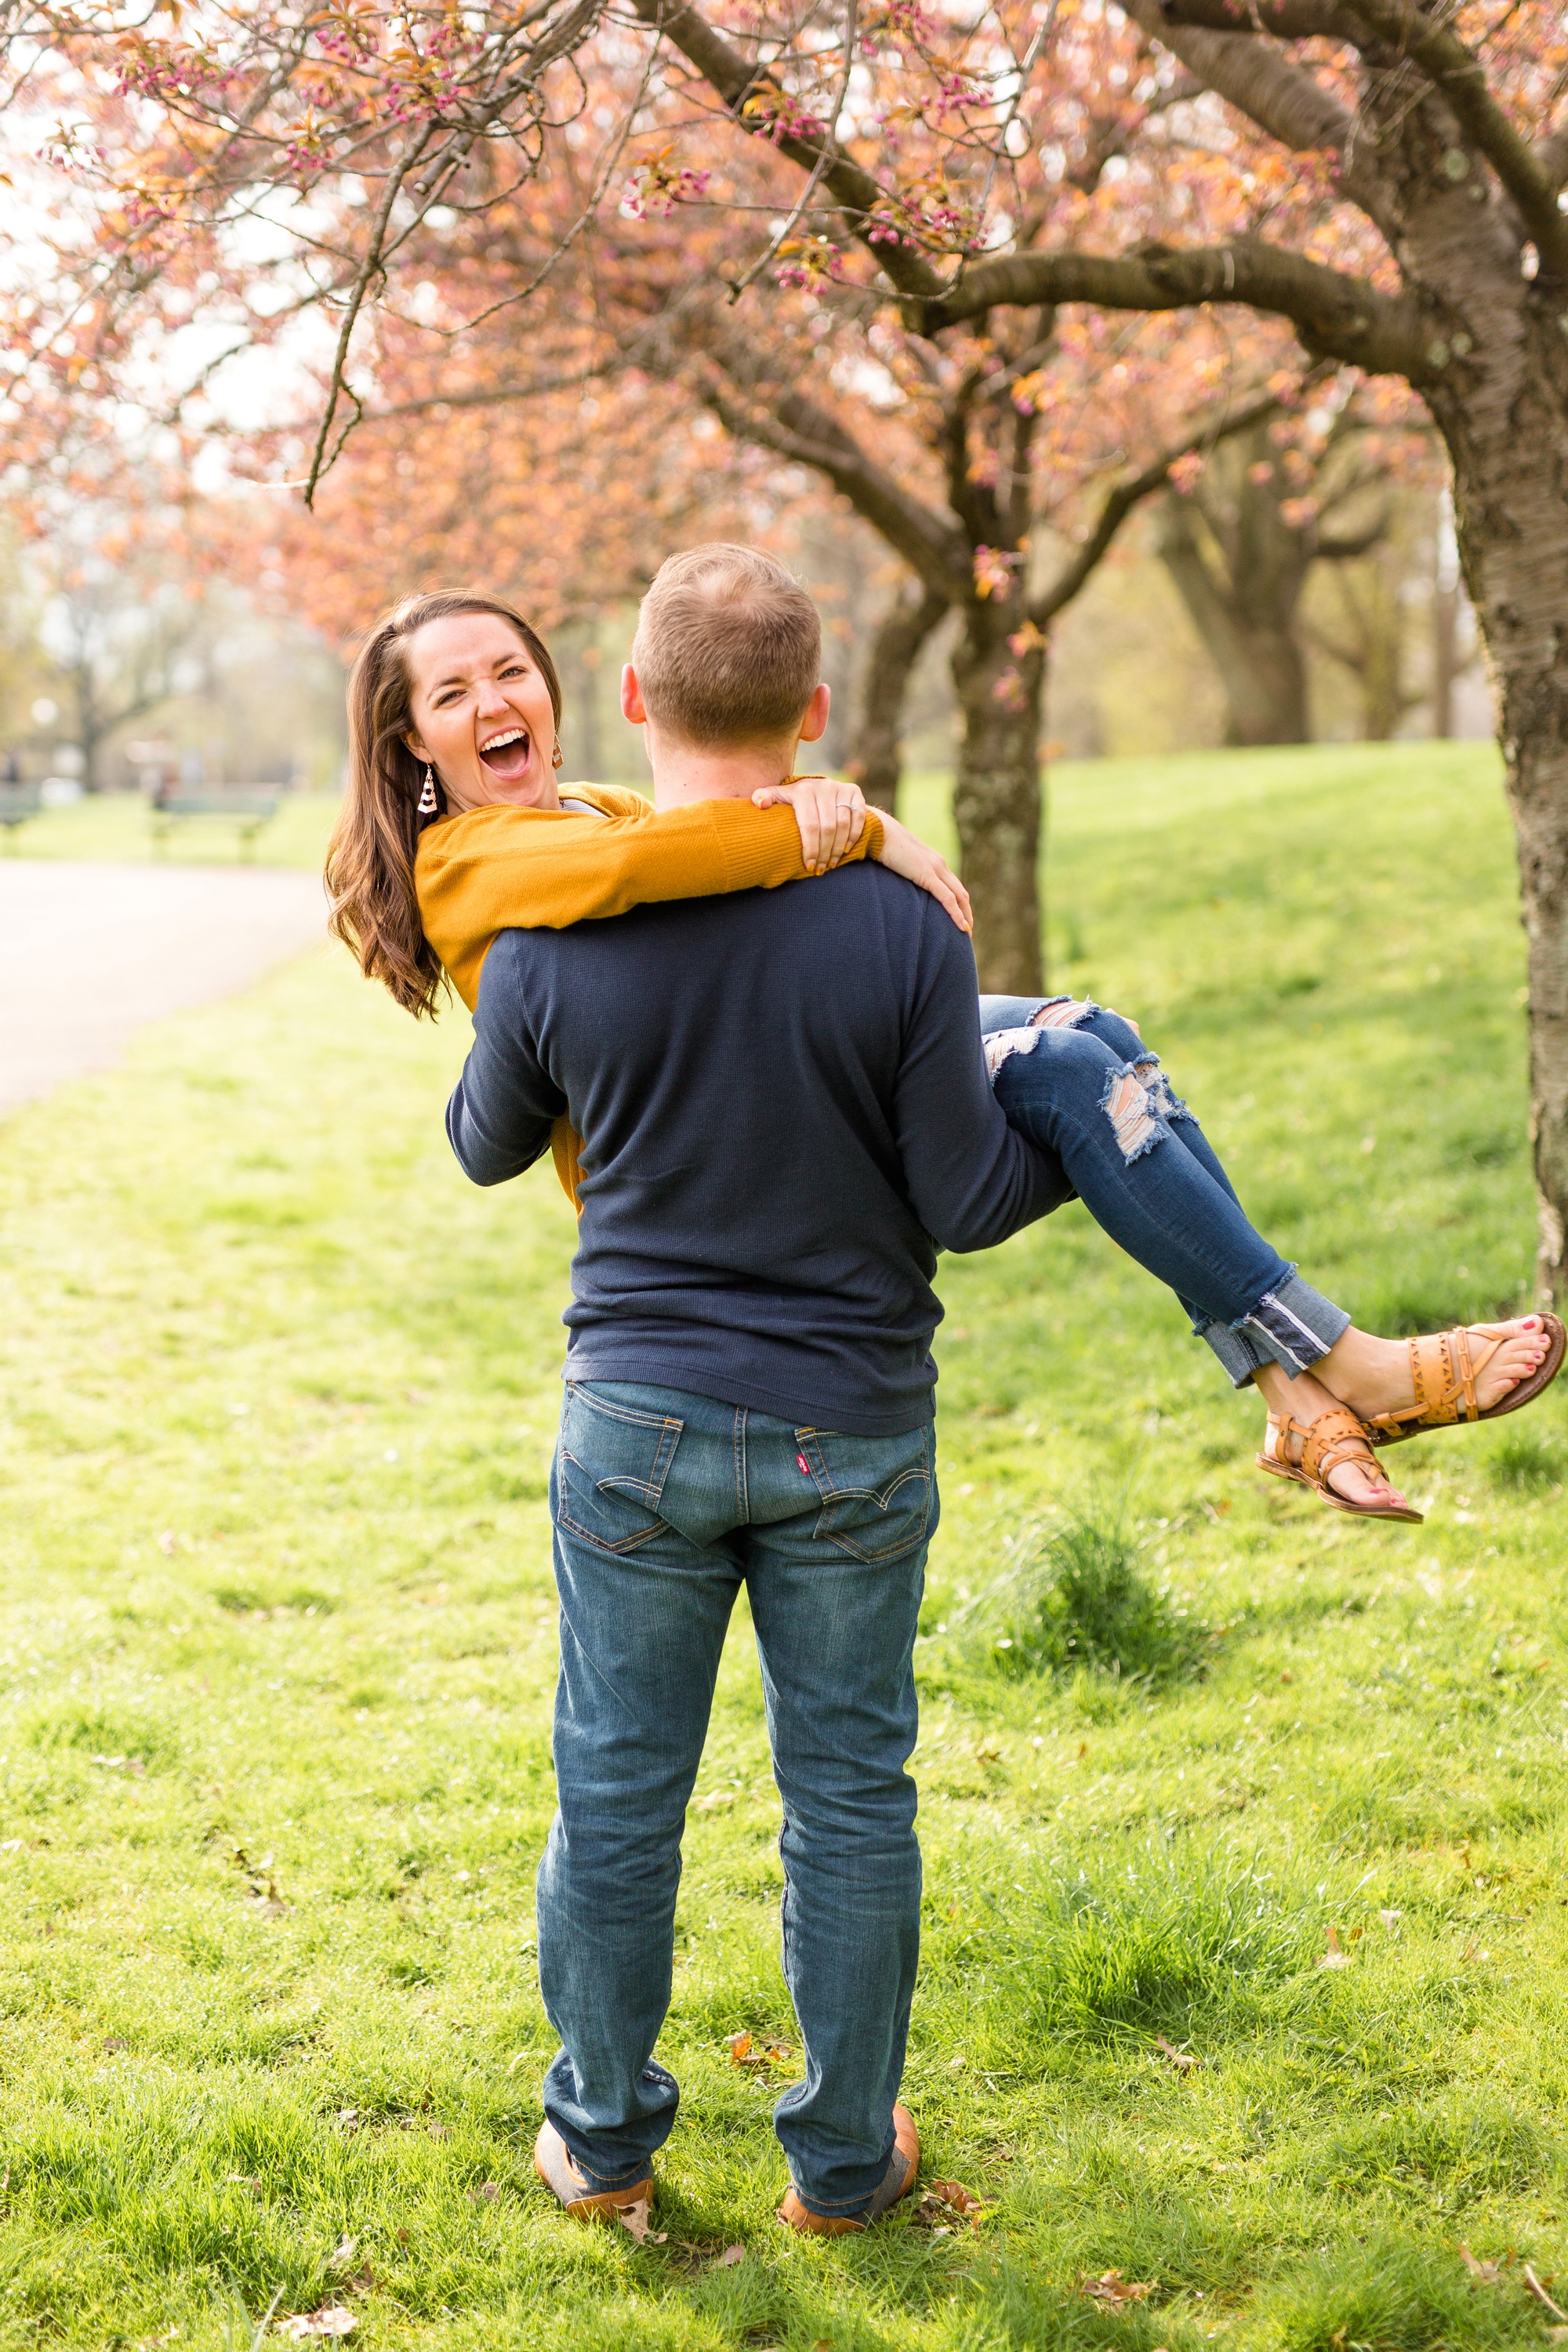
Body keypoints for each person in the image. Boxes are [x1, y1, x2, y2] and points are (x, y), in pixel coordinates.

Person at [325, 572, 1563, 1530]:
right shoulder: (477, 858)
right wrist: (853, 826)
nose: (494, 704)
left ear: (572, 685)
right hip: (697, 1147)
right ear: (415, 748)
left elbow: (694, 831)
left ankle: (1299, 1389)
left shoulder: (583, 805)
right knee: (1077, 1068)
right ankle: (1347, 1367)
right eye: (451, 695)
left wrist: (812, 818)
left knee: (1092, 1037)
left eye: (509, 670)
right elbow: (658, 862)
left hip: (761, 1065)